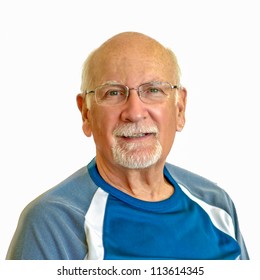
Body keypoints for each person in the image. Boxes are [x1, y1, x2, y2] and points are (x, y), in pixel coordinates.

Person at [6, 32, 249, 260]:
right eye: (112, 93)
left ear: (180, 108)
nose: (134, 113)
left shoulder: (217, 205)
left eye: (153, 90)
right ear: (86, 113)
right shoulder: (53, 223)